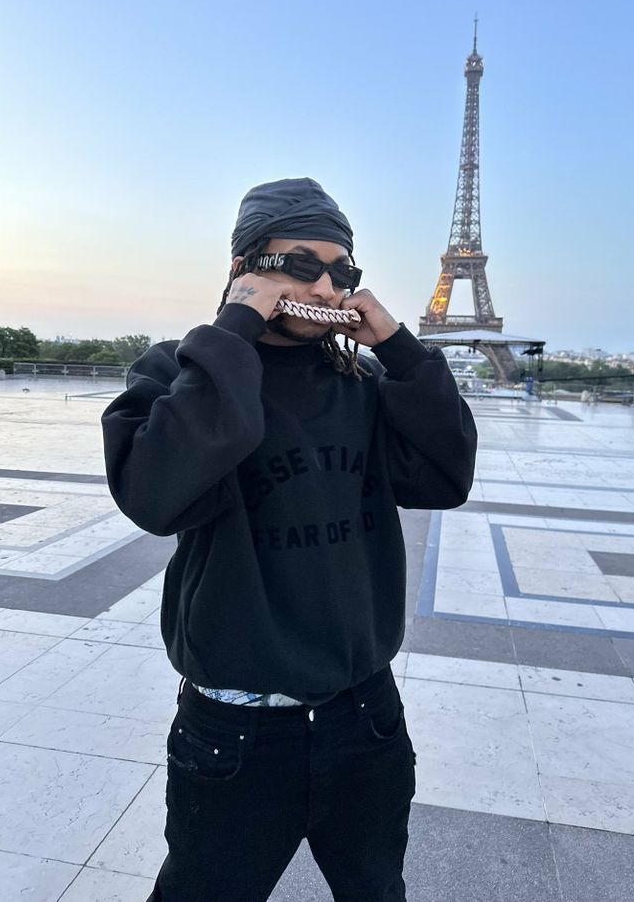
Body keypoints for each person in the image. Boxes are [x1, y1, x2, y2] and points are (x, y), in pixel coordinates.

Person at [101, 177, 477, 902]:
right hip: (235, 734)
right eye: (300, 263)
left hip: (364, 717)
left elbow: (447, 473)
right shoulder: (181, 372)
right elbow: (154, 493)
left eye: (343, 270)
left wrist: (399, 348)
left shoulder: (363, 381)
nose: (327, 282)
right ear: (246, 267)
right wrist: (237, 327)